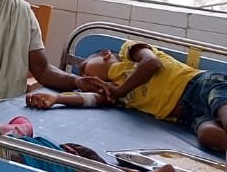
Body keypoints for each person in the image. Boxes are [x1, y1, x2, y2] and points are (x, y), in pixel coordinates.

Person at [27, 40, 227, 152]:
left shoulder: (129, 53)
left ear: (105, 54)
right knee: (209, 135)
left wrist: (120, 90)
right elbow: (92, 99)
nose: (86, 75)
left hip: (200, 85)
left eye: (85, 68)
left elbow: (153, 64)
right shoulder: (116, 92)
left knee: (223, 108)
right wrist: (57, 99)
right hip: (189, 115)